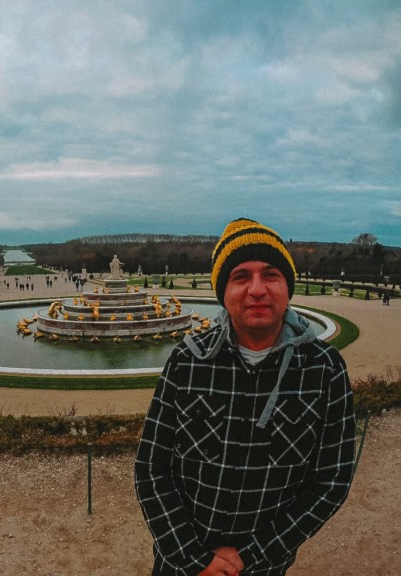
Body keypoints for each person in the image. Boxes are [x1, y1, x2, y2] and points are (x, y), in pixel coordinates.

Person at [135, 218, 356, 576]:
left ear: (288, 286)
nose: (257, 289)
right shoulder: (187, 360)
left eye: (271, 274)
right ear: (223, 291)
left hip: (264, 568)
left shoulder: (326, 370)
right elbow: (150, 470)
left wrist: (252, 556)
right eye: (241, 277)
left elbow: (331, 482)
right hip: (181, 567)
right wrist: (195, 560)